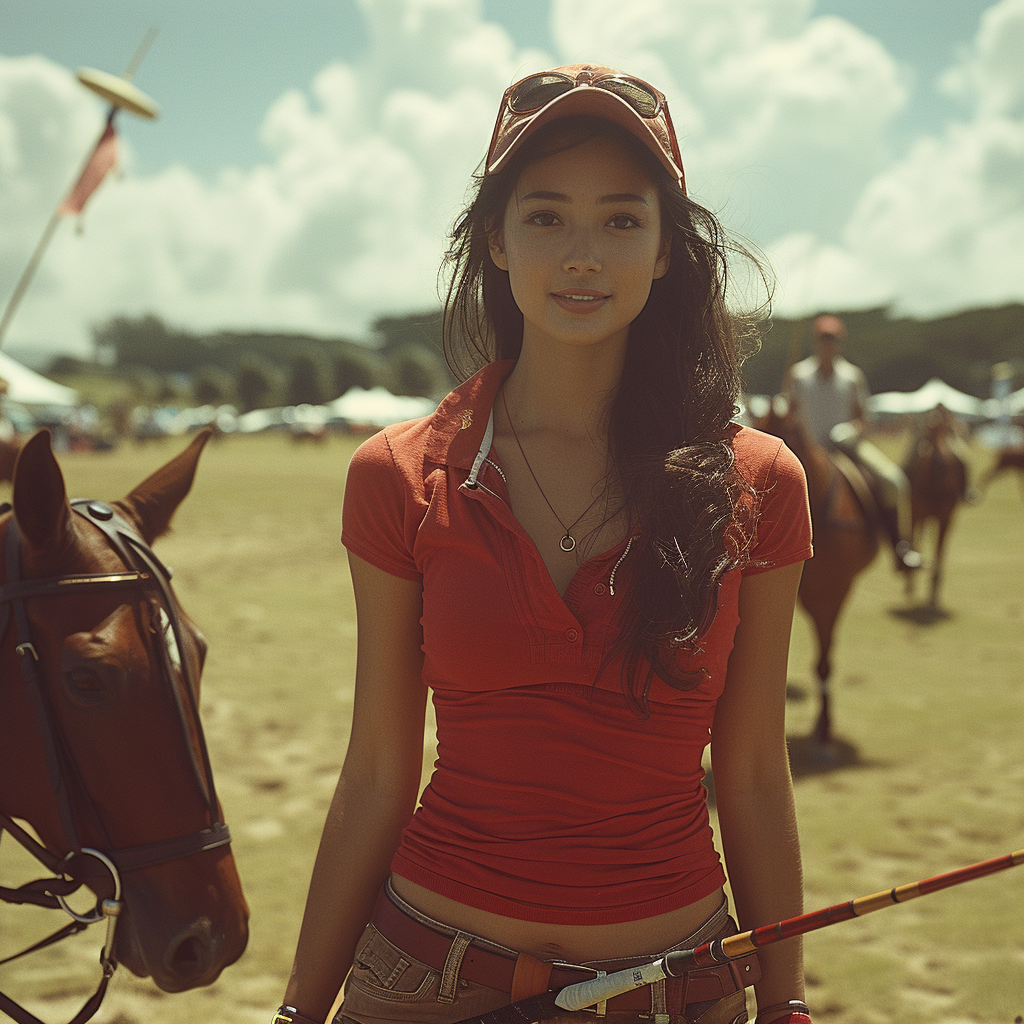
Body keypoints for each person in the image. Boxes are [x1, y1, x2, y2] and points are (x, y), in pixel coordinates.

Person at [278, 65, 814, 1024]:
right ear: (495, 239)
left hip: (673, 987)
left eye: (620, 220)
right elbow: (375, 772)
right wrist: (297, 1011)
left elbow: (753, 774)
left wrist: (787, 1004)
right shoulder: (395, 474)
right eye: (545, 217)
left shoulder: (760, 482)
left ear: (663, 254)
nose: (582, 256)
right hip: (424, 981)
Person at [784, 314, 921, 571]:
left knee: (893, 481)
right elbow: (788, 414)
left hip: (844, 449)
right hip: (806, 452)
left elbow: (863, 418)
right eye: (823, 339)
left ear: (839, 343)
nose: (828, 345)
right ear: (816, 342)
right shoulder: (799, 375)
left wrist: (850, 430)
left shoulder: (851, 376)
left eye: (832, 340)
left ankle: (899, 548)